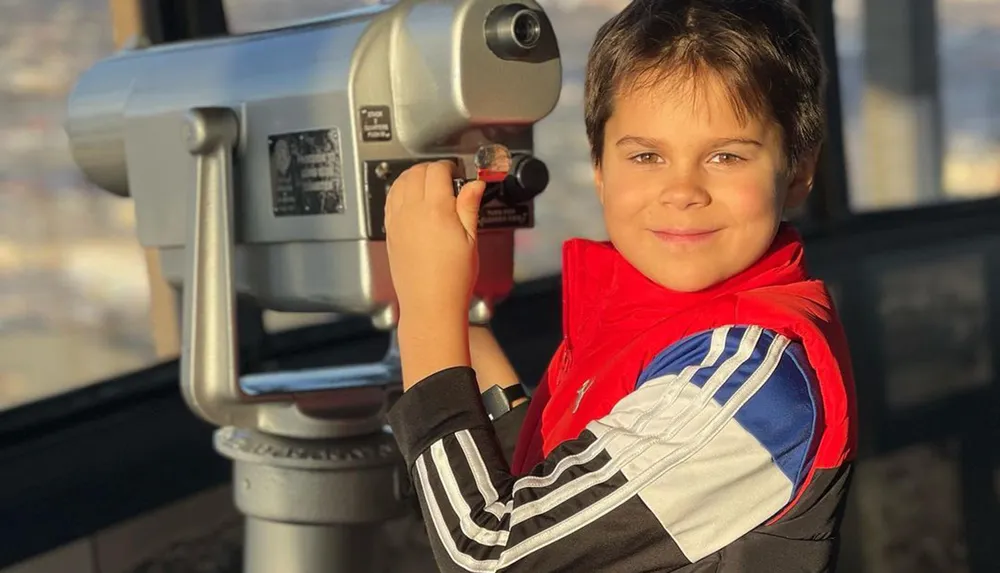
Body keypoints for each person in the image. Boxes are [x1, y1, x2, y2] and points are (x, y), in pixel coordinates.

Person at [382, 0, 858, 571]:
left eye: (726, 156)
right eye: (647, 155)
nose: (682, 190)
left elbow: (490, 552)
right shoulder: (646, 319)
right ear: (600, 168)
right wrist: (459, 325)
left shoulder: (751, 384)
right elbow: (564, 491)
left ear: (800, 168)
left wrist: (426, 313)